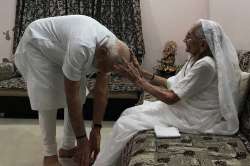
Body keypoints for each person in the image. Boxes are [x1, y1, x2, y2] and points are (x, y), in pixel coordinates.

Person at [93, 19, 241, 166]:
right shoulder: (195, 59)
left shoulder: (206, 65)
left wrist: (138, 81)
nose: (184, 40)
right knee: (128, 114)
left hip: (196, 117)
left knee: (127, 123)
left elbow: (171, 98)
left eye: (189, 37)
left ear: (203, 44)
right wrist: (140, 72)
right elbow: (170, 83)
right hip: (186, 109)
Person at [14, 15, 131, 166]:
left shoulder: (113, 48)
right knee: (48, 98)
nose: (103, 71)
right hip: (39, 44)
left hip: (63, 49)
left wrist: (96, 129)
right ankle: (49, 154)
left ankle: (68, 147)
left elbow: (101, 91)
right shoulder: (82, 46)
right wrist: (83, 140)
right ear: (101, 53)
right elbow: (71, 96)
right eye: (104, 68)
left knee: (81, 95)